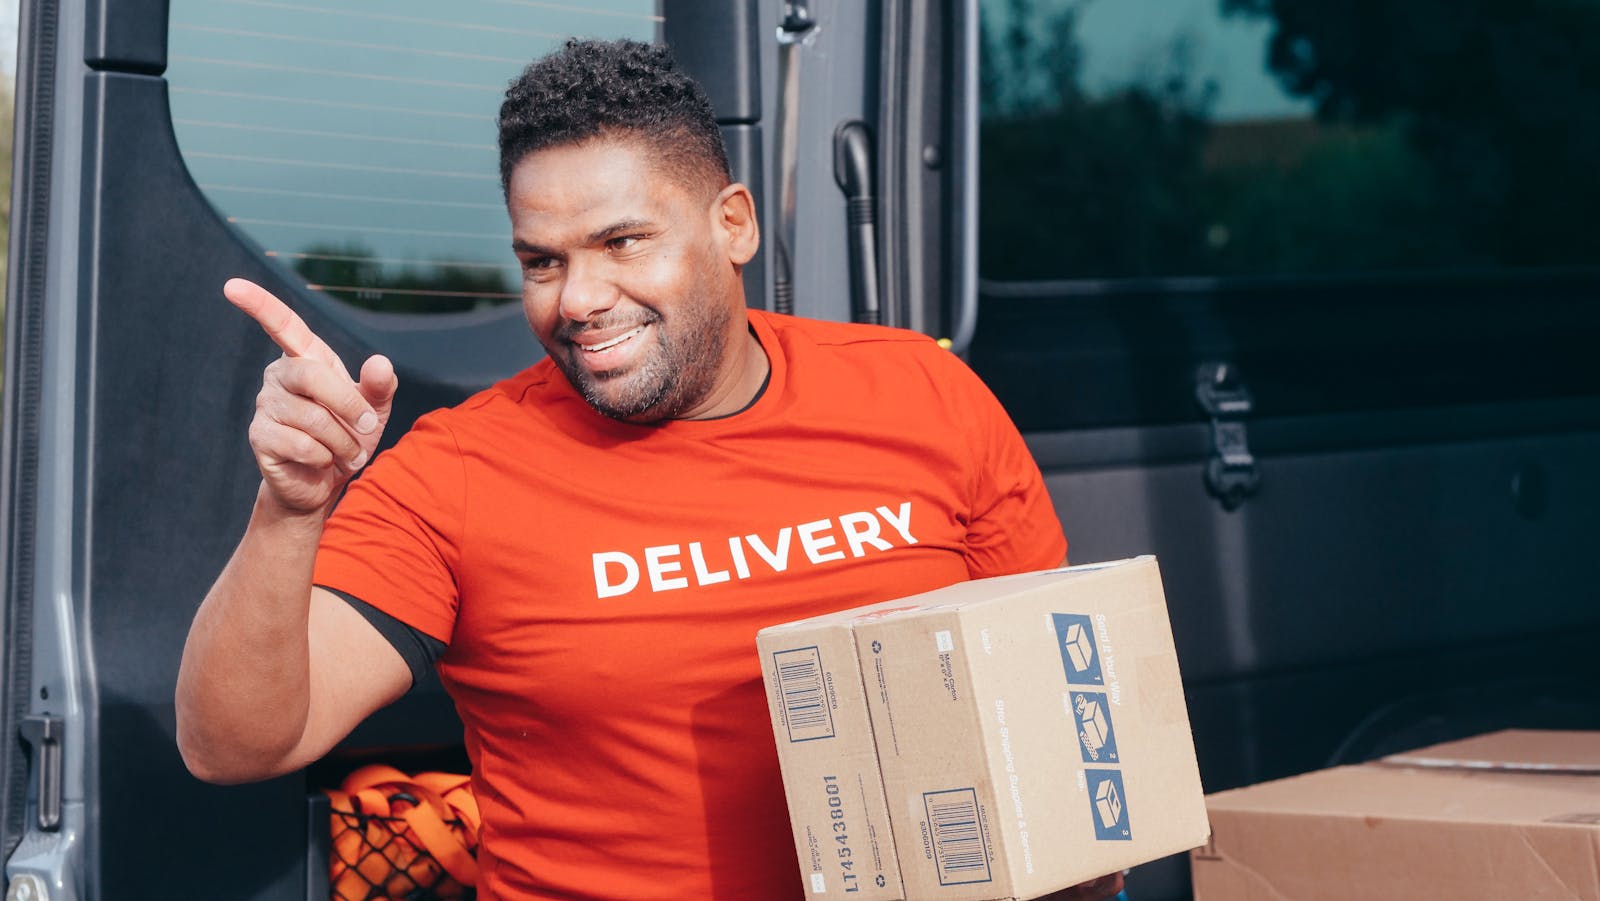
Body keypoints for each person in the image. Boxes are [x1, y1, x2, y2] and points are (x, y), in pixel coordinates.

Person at [176, 38, 1125, 901]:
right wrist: (291, 508)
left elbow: (1052, 719)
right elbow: (233, 743)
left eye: (622, 242)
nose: (580, 299)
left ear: (734, 226)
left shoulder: (922, 392)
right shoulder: (458, 472)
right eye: (542, 261)